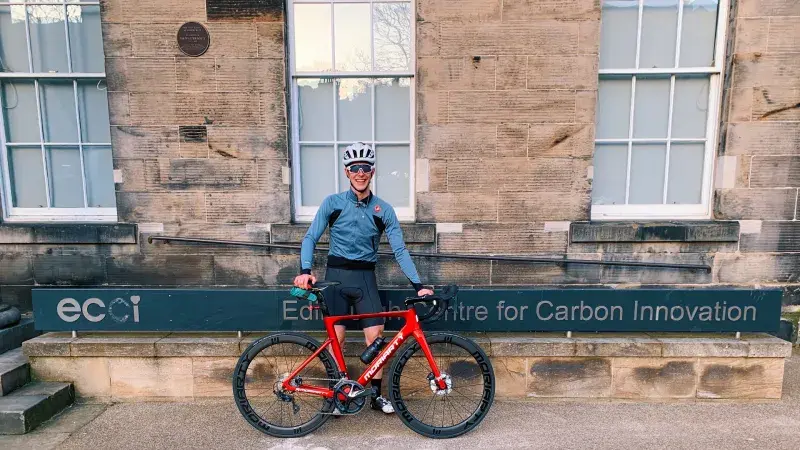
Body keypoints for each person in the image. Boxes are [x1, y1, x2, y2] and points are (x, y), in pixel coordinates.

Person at [293, 142, 433, 414]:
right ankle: (335, 395)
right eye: (355, 168)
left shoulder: (384, 210)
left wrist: (419, 285)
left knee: (376, 338)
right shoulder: (332, 204)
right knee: (338, 341)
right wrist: (305, 270)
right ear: (347, 172)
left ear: (372, 171)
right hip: (335, 279)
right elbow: (310, 237)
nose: (360, 173)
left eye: (365, 168)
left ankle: (375, 396)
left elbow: (399, 250)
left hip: (365, 279)